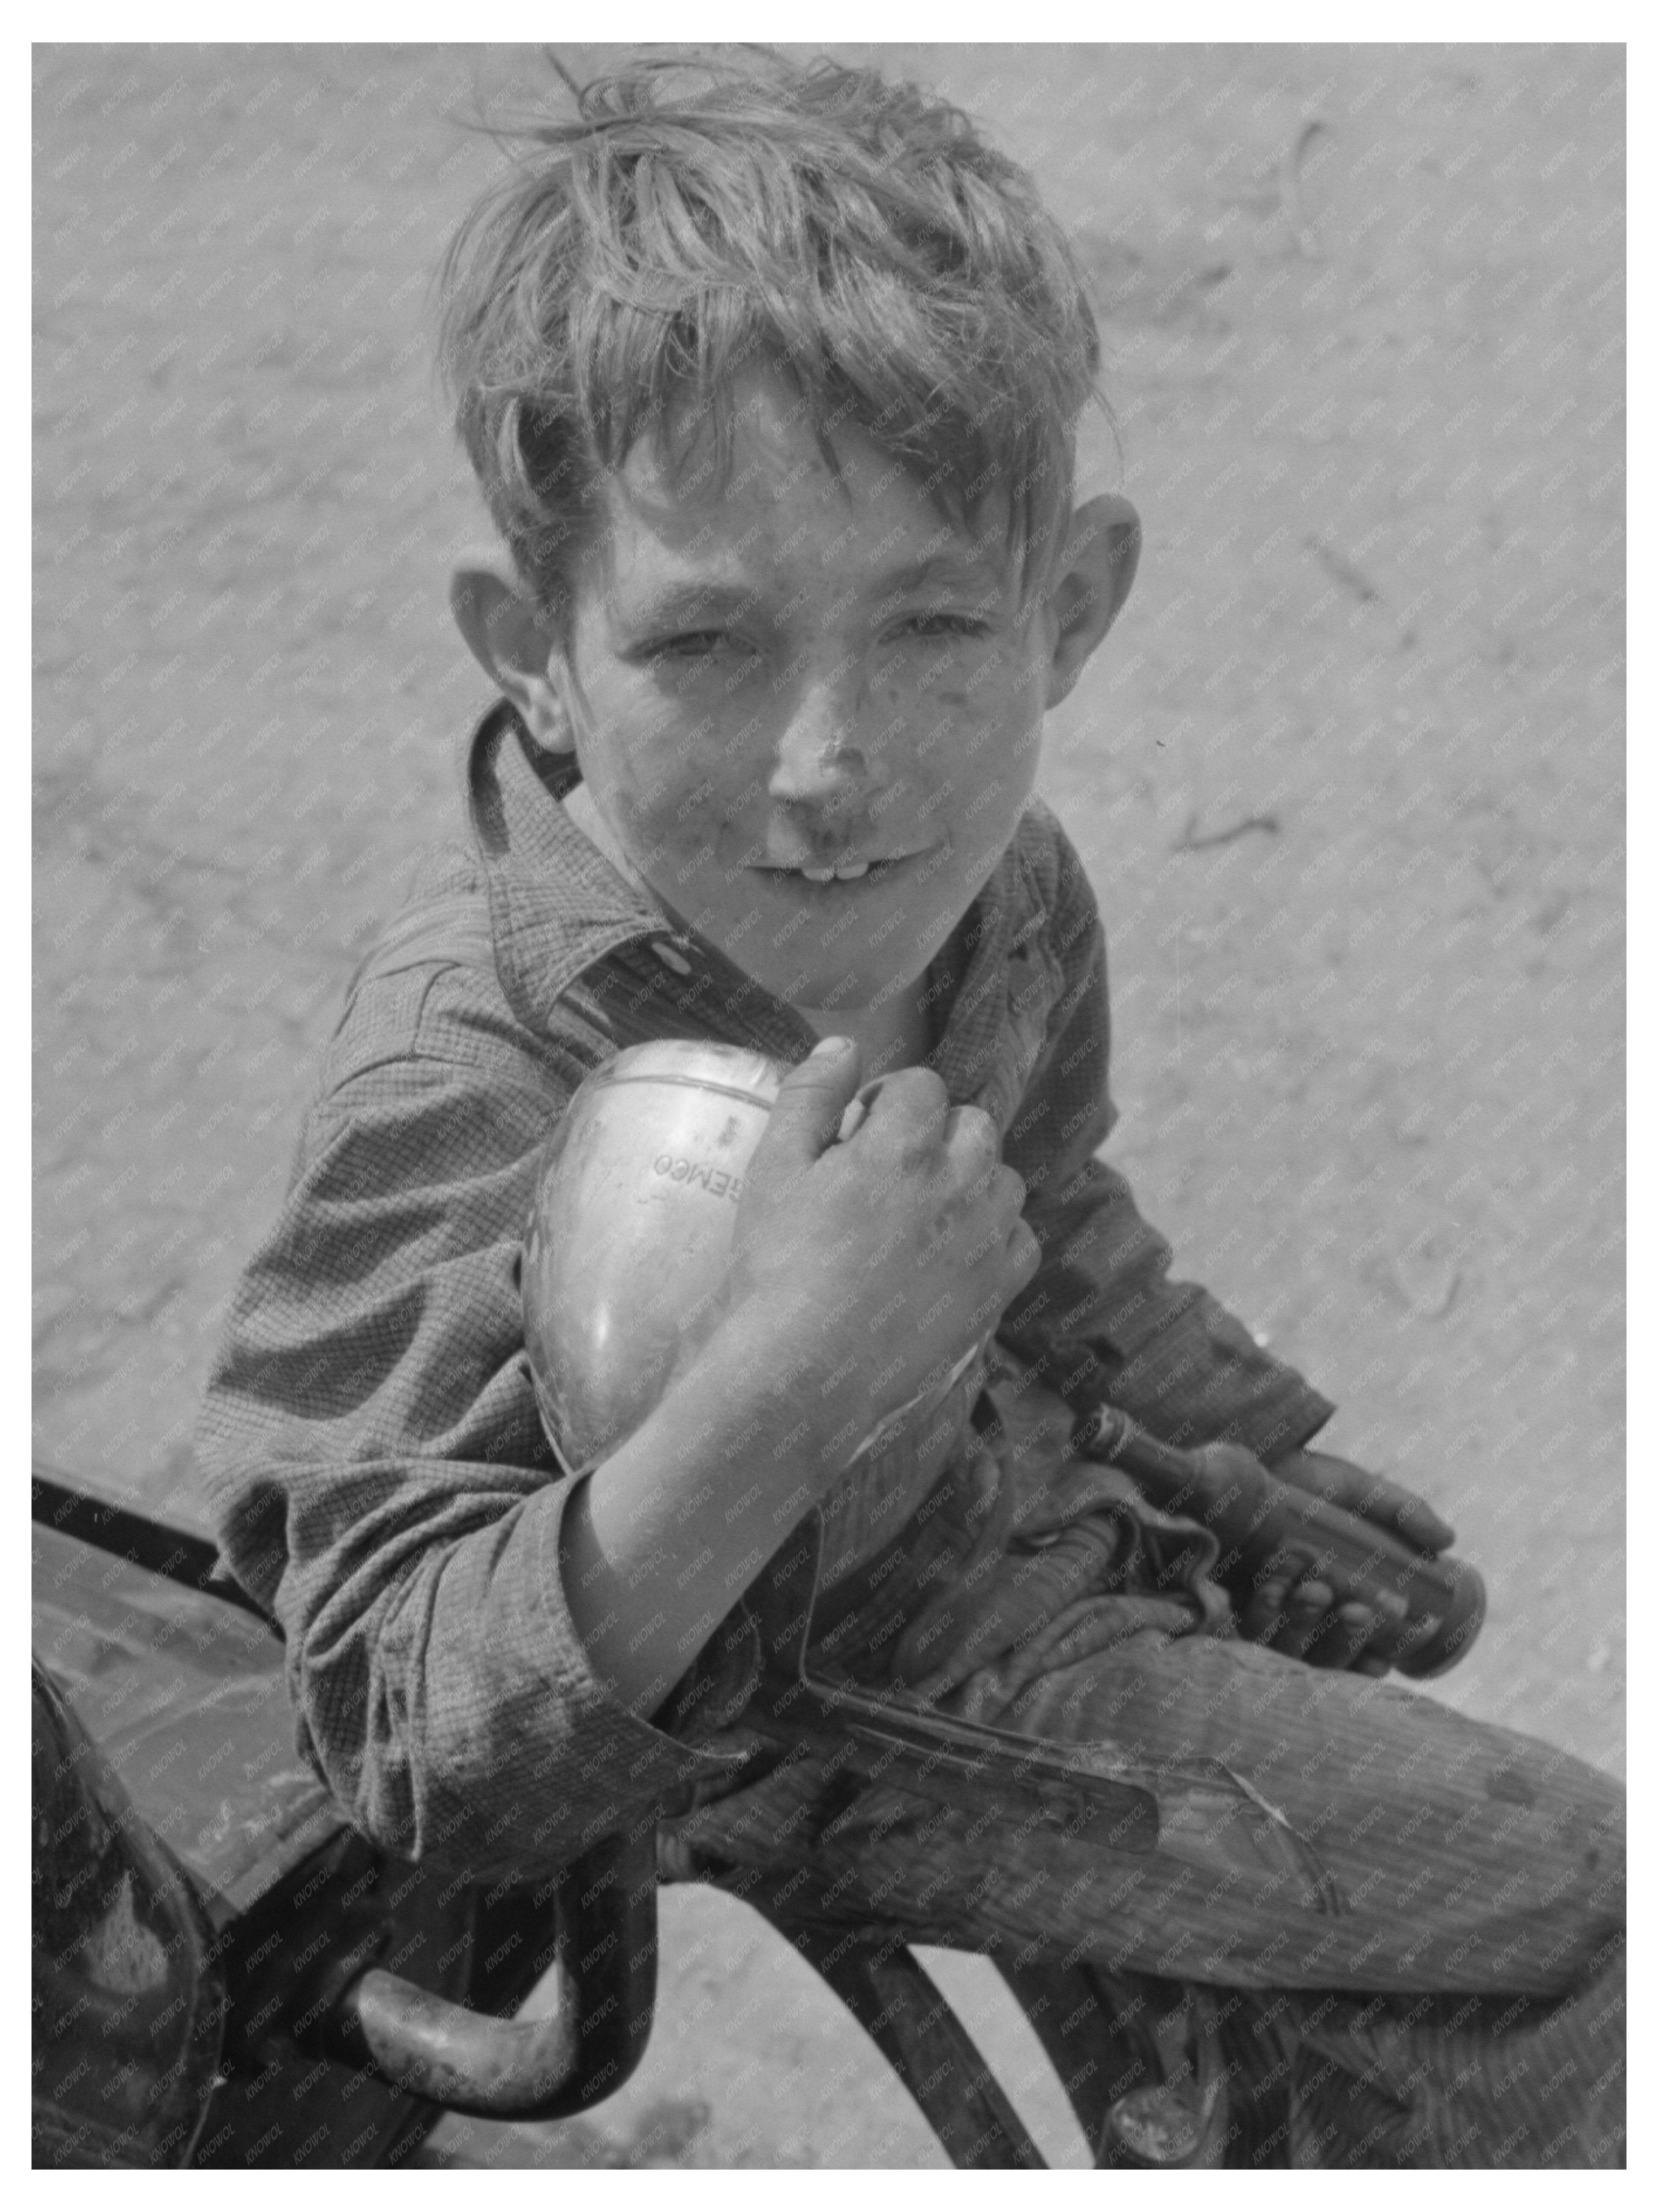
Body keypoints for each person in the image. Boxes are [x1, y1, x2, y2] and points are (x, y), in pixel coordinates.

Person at [195, 54, 1623, 2166]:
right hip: (771, 1702)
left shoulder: (1000, 888)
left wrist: (1244, 1443)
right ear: (535, 658)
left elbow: (1049, 1195)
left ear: (1073, 610)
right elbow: (408, 1735)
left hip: (1007, 1519)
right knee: (1585, 1910)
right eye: (706, 644)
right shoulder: (472, 1074)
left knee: (1347, 1902)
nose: (830, 770)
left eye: (935, 625)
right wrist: (779, 1377)